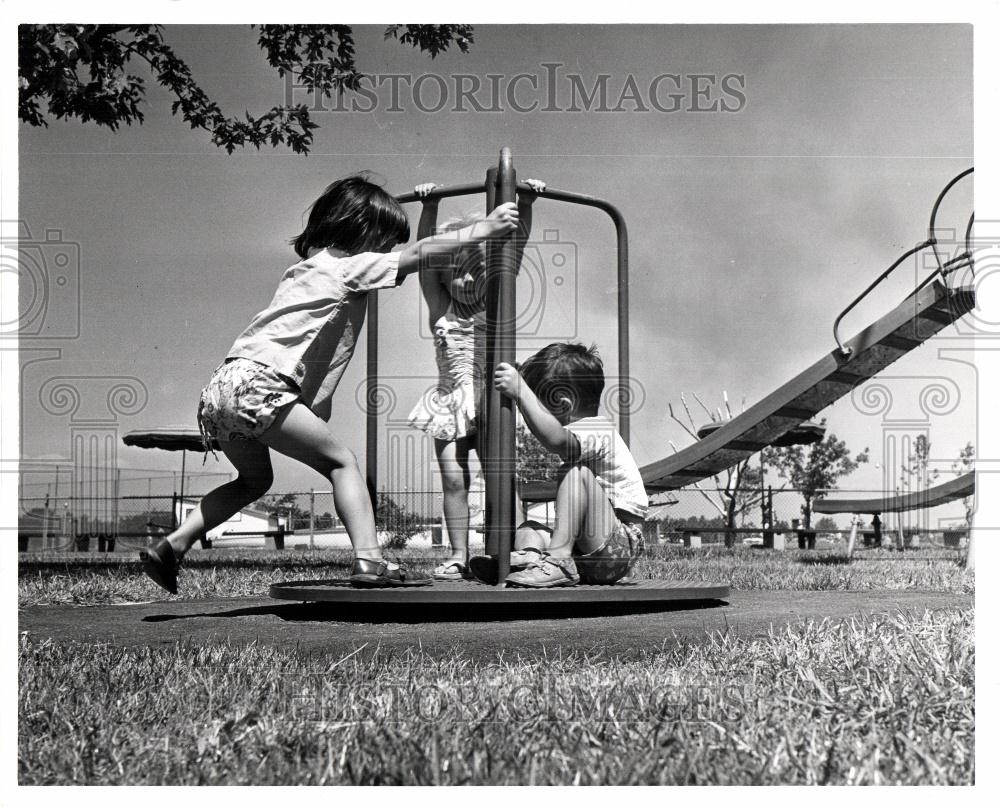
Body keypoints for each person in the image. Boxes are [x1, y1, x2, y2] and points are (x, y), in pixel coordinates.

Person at [139, 175, 519, 593]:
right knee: (343, 464)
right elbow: (420, 254)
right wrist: (486, 229)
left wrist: (311, 400)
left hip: (222, 388)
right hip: (262, 386)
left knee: (253, 482)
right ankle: (370, 561)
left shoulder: (300, 270)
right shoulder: (349, 267)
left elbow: (299, 338)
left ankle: (173, 544)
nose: (389, 251)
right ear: (362, 230)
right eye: (385, 241)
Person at [406, 179, 545, 580]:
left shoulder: (497, 305)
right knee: (453, 478)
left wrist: (527, 202)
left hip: (492, 402)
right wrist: (429, 207)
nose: (464, 282)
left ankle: (518, 552)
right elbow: (424, 256)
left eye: (472, 273)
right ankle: (457, 554)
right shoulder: (441, 307)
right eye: (455, 274)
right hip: (450, 402)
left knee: (501, 477)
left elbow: (514, 246)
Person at [479, 342, 648, 587]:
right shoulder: (586, 433)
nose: (533, 418)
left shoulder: (597, 430)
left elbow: (556, 439)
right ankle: (531, 558)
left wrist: (521, 393)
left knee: (575, 472)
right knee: (530, 529)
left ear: (563, 404)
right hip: (588, 552)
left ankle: (558, 560)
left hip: (618, 547)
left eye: (539, 406)